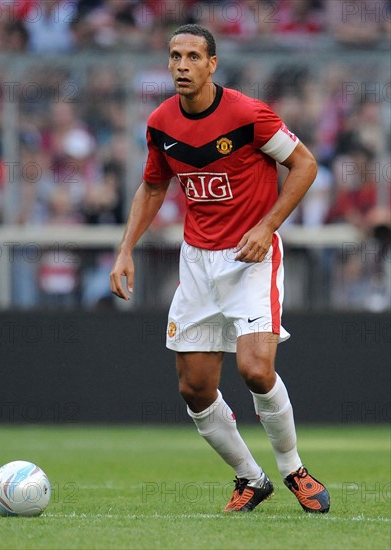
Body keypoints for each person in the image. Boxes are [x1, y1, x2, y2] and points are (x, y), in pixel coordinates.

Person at [110, 24, 330, 514]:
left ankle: (293, 469)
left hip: (250, 257)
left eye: (192, 56)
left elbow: (305, 165)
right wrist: (125, 249)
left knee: (255, 369)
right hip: (197, 264)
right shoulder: (161, 123)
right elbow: (151, 188)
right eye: (174, 56)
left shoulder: (249, 115)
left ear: (212, 64)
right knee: (194, 387)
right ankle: (250, 478)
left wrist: (266, 225)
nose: (182, 66)